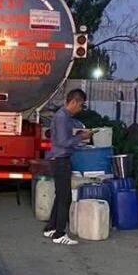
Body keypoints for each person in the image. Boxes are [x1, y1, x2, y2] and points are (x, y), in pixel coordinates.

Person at [44, 89, 93, 246]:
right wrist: (81, 137)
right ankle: (60, 233)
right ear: (73, 102)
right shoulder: (62, 117)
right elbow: (63, 142)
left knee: (60, 196)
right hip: (60, 160)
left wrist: (78, 133)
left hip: (59, 159)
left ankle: (51, 228)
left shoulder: (64, 117)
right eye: (80, 105)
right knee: (66, 198)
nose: (80, 109)